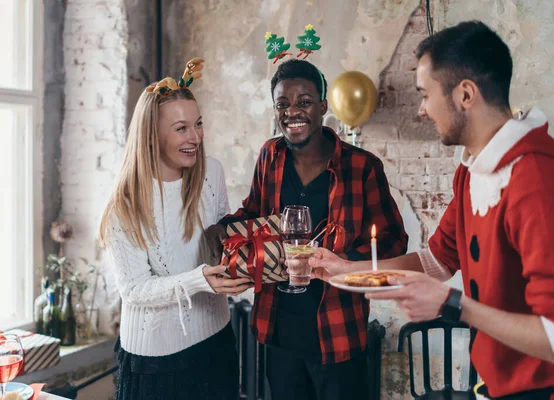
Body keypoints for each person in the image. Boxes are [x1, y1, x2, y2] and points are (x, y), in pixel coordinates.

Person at [309, 21, 554, 400]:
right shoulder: (471, 172)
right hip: (493, 386)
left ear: (465, 94)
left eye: (425, 94)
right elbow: (438, 260)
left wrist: (452, 304)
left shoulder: (536, 181)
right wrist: (349, 270)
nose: (421, 109)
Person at [204, 58, 408, 400]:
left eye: (304, 102)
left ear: (323, 107)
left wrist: (341, 263)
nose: (292, 112)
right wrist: (222, 230)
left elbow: (393, 241)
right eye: (282, 104)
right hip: (278, 331)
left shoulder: (361, 167)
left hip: (339, 333)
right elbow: (254, 213)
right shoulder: (270, 155)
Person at [98, 58, 252, 400]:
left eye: (198, 124)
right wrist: (200, 280)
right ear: (152, 137)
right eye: (181, 128)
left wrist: (239, 264)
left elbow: (219, 240)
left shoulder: (211, 173)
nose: (195, 137)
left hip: (217, 342)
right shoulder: (124, 206)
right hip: (155, 363)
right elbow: (135, 289)